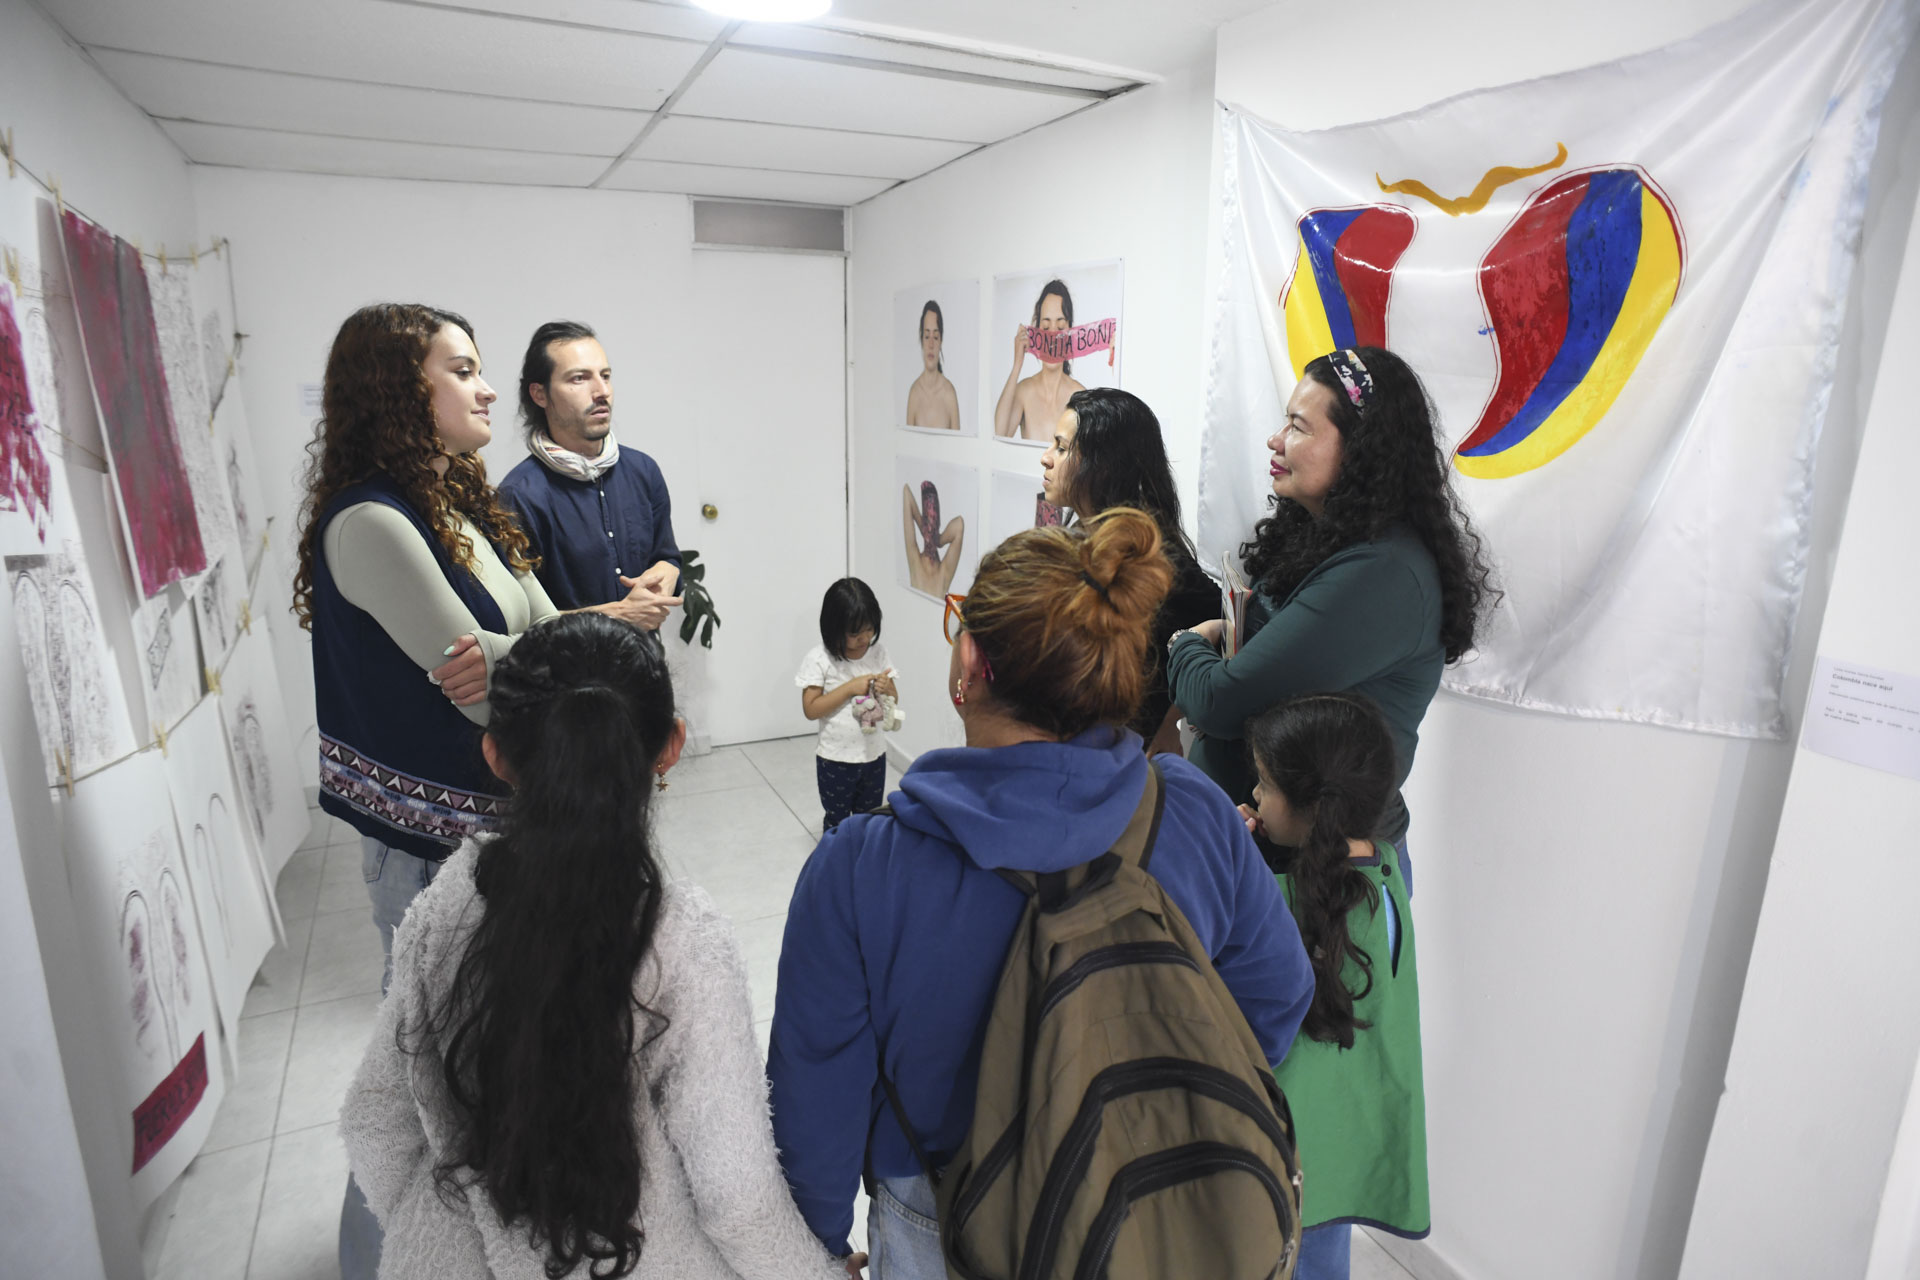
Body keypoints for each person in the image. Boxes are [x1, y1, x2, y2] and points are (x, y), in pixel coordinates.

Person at [766, 509, 1316, 1274]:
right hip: (1144, 1212)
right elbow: (1279, 993)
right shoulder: (1189, 811)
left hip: (940, 1218)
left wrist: (821, 1249)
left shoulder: (860, 868)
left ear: (968, 664)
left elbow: (815, 1099)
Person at [292, 304, 661, 1279]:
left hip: (494, 830)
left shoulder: (455, 500)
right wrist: (536, 654)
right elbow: (498, 685)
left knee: (483, 1068)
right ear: (399, 392)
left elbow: (536, 640)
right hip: (428, 851)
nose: (489, 386)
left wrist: (520, 653)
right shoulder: (372, 520)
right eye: (462, 369)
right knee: (423, 1087)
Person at [340, 612, 847, 1280]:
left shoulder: (442, 909)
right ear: (670, 747)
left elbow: (374, 1121)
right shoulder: (684, 941)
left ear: (496, 756)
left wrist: (441, 1238)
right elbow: (739, 1201)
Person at [1167, 347, 1496, 893]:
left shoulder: (1384, 574)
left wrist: (1185, 644)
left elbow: (1221, 701)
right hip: (1262, 855)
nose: (1276, 440)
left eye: (1298, 427)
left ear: (1361, 450)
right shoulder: (1324, 535)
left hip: (1323, 883)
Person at [1238, 693, 1427, 1280]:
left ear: (1313, 807)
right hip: (1347, 1133)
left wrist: (1236, 862)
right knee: (1321, 1257)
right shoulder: (1389, 874)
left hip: (1287, 1141)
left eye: (1266, 784)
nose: (1256, 796)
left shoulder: (1271, 900)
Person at [1041, 387, 1219, 754]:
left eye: (1061, 448)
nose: (1046, 458)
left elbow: (1217, 617)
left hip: (1122, 756)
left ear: (1103, 464)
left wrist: (1170, 719)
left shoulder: (1155, 555)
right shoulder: (1077, 538)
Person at [497, 320, 682, 623]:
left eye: (605, 376)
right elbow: (521, 621)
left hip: (646, 653)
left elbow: (667, 556)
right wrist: (616, 615)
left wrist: (668, 570)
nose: (602, 391)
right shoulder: (518, 496)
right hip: (570, 656)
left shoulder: (643, 471)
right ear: (540, 394)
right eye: (579, 378)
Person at [797, 578, 900, 832]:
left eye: (870, 629)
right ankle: (836, 856)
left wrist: (888, 688)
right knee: (838, 822)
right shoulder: (820, 659)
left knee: (870, 819)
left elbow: (894, 699)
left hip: (873, 755)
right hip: (836, 759)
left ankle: (864, 855)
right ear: (834, 629)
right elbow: (811, 709)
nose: (864, 638)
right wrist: (849, 688)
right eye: (855, 633)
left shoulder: (878, 653)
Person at [993, 278, 1084, 441]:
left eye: (1060, 327)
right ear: (1036, 332)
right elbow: (999, 433)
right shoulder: (1024, 392)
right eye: (1046, 327)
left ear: (1070, 333)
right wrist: (1017, 365)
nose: (1053, 337)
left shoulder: (1080, 398)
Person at [900, 480, 965, 596]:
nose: (930, 526)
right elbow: (906, 492)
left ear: (938, 523)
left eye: (934, 519)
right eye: (927, 519)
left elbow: (959, 524)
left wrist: (938, 540)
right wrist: (924, 528)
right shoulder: (915, 561)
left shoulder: (944, 573)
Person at [904, 300, 960, 431]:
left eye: (935, 337)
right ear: (921, 339)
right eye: (926, 336)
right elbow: (906, 442)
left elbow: (958, 444)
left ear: (941, 341)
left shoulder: (949, 394)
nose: (931, 344)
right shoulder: (914, 394)